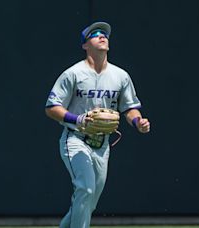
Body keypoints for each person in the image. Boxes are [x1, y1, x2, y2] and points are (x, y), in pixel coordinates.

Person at [45, 21, 150, 228]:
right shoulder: (73, 74)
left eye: (105, 34)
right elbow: (51, 107)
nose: (103, 36)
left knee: (88, 203)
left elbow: (129, 108)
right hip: (75, 139)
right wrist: (78, 119)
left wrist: (138, 121)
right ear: (85, 45)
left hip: (102, 145)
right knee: (86, 189)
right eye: (95, 34)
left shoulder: (120, 76)